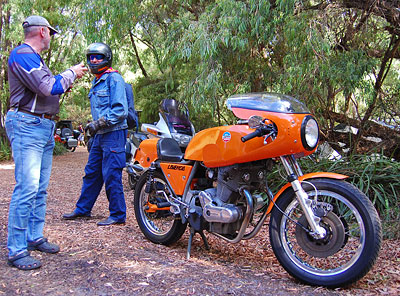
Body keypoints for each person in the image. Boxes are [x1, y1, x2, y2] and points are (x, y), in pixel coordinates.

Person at [5, 15, 88, 270]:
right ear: (42, 31)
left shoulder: (34, 58)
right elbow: (47, 87)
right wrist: (71, 73)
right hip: (27, 125)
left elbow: (49, 89)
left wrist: (64, 82)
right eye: (50, 33)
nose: (51, 37)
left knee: (40, 188)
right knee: (27, 188)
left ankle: (34, 236)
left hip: (42, 126)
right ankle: (17, 250)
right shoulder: (23, 54)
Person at [63, 42, 128, 227]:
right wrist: (94, 128)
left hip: (114, 133)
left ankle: (117, 214)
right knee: (92, 173)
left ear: (106, 58)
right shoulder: (96, 80)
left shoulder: (114, 79)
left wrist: (98, 123)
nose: (93, 60)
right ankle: (83, 209)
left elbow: (120, 111)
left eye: (97, 57)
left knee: (111, 174)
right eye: (91, 57)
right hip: (100, 134)